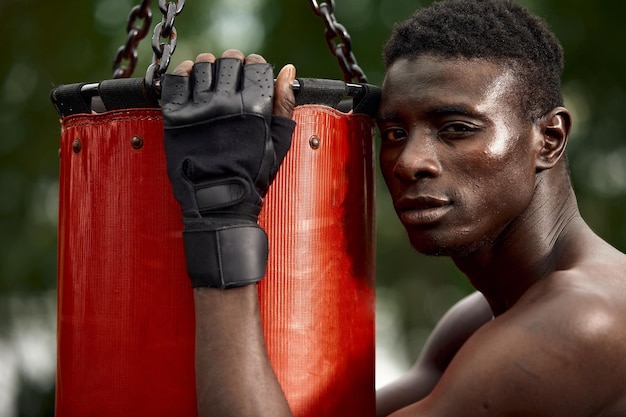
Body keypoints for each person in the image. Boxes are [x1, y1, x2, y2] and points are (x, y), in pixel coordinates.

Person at [160, 0, 626, 416]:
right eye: (395, 133)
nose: (409, 162)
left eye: (457, 128)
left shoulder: (584, 320)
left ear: (549, 140)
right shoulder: (479, 319)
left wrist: (222, 217)